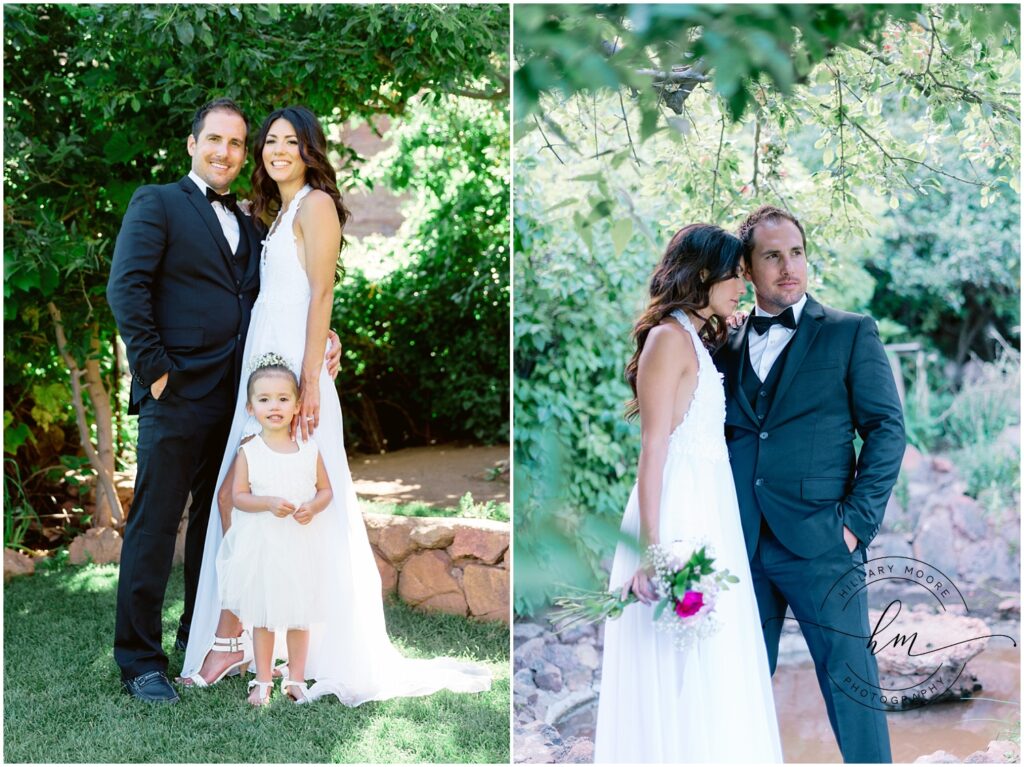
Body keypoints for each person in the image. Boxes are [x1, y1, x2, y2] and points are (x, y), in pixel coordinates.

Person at [180, 105, 492, 704]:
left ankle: (245, 644)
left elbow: (321, 290)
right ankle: (242, 637)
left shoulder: (316, 204)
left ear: (310, 150)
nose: (277, 151)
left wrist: (313, 380)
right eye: (269, 142)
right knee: (238, 497)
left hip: (293, 380)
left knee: (285, 503)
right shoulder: (276, 214)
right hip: (265, 368)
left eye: (290, 142)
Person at [106, 98, 340, 704]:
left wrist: (326, 343)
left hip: (239, 400)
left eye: (238, 144)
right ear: (192, 143)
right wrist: (156, 373)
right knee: (155, 527)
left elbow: (290, 296)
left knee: (218, 529)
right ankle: (140, 662)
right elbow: (125, 288)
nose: (226, 152)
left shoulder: (258, 221)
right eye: (215, 139)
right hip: (177, 394)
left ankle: (201, 638)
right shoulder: (156, 202)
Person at [714, 205, 905, 763]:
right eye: (772, 255)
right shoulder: (722, 344)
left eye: (795, 252)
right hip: (742, 544)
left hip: (824, 542)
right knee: (739, 685)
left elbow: (887, 429)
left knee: (852, 683)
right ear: (747, 269)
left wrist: (855, 525)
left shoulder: (849, 332)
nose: (788, 266)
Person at [594, 224, 783, 763]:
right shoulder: (667, 340)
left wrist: (729, 325)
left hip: (711, 508)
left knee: (714, 651)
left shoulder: (696, 338)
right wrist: (653, 553)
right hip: (678, 511)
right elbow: (653, 449)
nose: (743, 287)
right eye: (735, 277)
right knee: (679, 652)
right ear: (703, 276)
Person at [215, 356, 333, 705]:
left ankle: (295, 679)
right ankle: (263, 680)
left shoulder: (309, 449)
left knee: (299, 617)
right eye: (264, 400)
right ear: (251, 407)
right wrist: (266, 502)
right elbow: (237, 497)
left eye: (283, 398)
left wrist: (313, 506)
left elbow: (326, 490)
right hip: (263, 546)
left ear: (298, 405)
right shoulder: (250, 451)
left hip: (299, 545)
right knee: (263, 617)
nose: (274, 406)